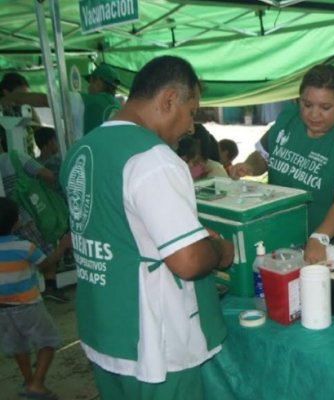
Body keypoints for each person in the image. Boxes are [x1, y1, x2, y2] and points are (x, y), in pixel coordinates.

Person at [59, 55, 234, 400]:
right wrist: (219, 250)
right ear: (169, 99)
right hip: (154, 344)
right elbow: (187, 261)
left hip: (105, 329)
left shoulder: (83, 150)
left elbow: (121, 230)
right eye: (191, 112)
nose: (190, 127)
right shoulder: (153, 159)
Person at [230, 64, 334, 263]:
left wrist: (319, 237)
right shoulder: (289, 121)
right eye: (307, 105)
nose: (314, 114)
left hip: (331, 244)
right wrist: (250, 166)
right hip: (284, 231)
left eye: (325, 107)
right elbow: (263, 155)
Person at [0, 197, 71, 400]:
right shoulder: (24, 247)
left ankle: (28, 380)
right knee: (48, 342)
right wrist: (62, 247)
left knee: (18, 346)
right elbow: (46, 265)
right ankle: (37, 384)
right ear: (17, 222)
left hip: (3, 309)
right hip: (27, 305)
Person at [0, 130, 67, 303]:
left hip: (4, 221)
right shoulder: (14, 158)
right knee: (43, 252)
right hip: (24, 216)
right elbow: (47, 175)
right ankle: (50, 286)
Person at [0, 63, 121, 142]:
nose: (88, 88)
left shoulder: (85, 102)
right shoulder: (120, 109)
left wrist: (12, 97)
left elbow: (45, 100)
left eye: (90, 82)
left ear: (98, 82)